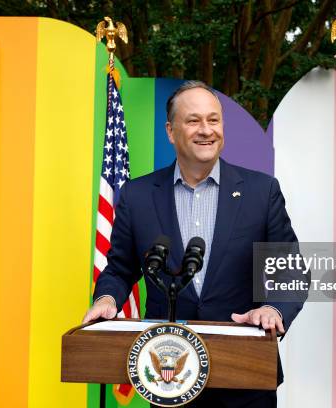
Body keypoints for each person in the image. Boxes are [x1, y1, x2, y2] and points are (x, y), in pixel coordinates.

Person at [82, 80, 306, 407]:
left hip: (245, 371)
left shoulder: (262, 191)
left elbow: (290, 271)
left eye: (213, 120)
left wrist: (273, 309)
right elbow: (119, 269)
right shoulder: (138, 195)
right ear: (171, 132)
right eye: (193, 120)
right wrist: (106, 298)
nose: (206, 130)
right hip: (168, 371)